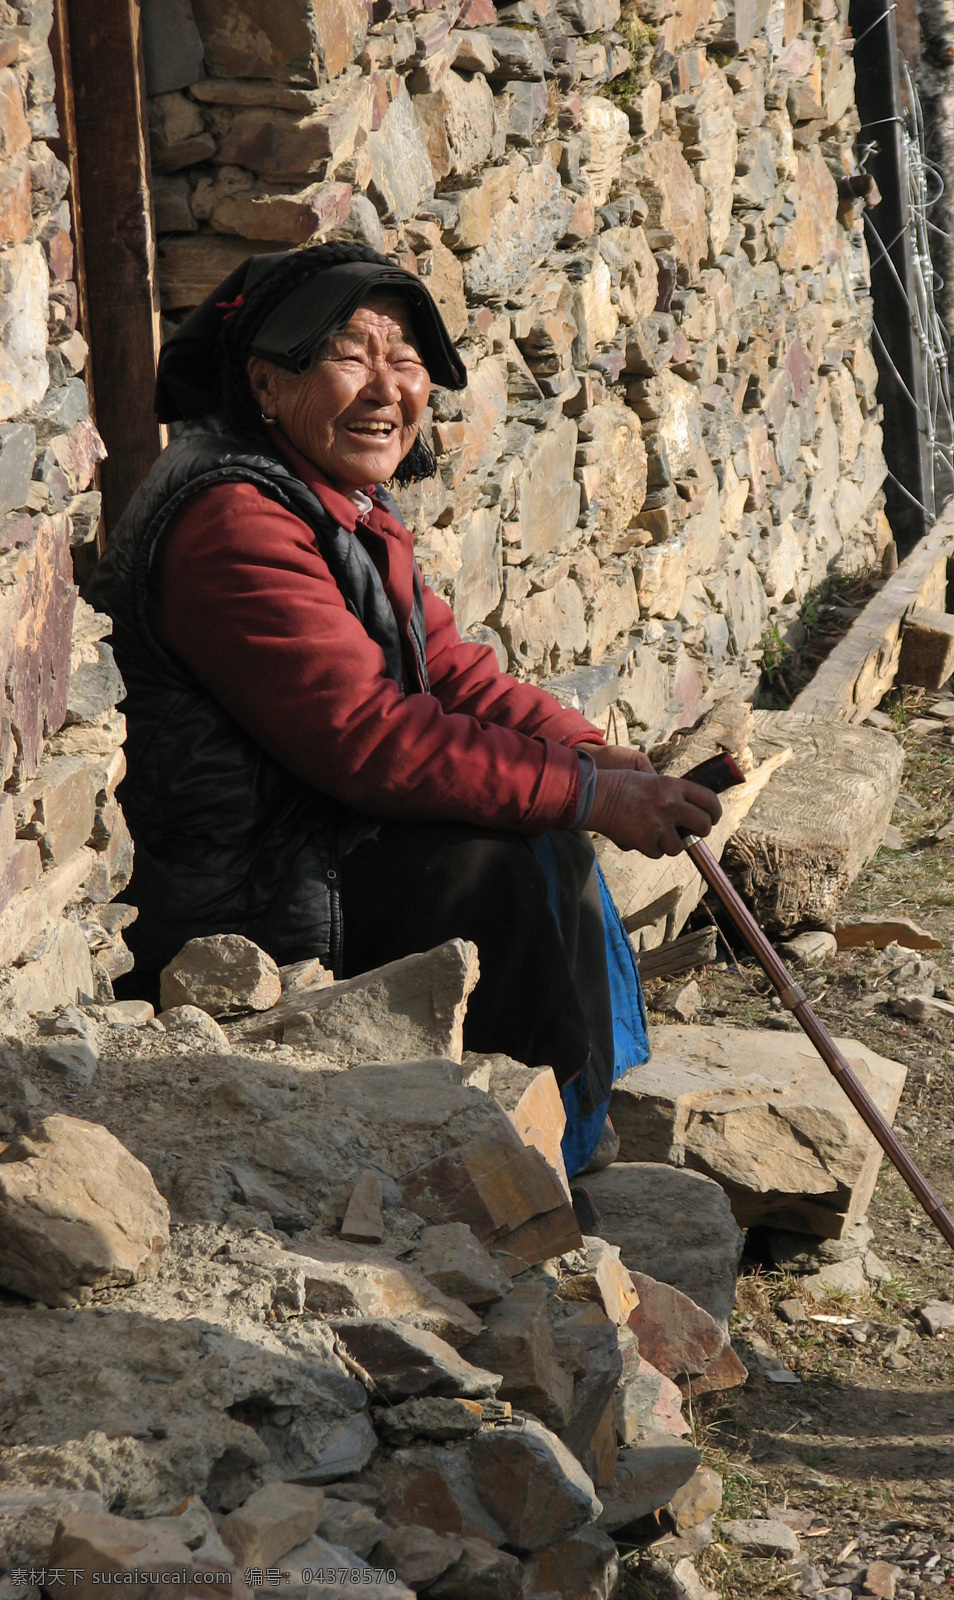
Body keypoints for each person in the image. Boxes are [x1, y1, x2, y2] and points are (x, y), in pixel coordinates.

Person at [88, 242, 722, 1172]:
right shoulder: (235, 522)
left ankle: (579, 1115)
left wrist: (592, 756)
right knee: (494, 861)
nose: (388, 389)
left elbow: (450, 670)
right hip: (247, 896)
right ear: (266, 383)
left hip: (311, 843)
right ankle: (532, 1165)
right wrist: (584, 794)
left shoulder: (327, 498)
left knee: (549, 816)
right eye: (352, 354)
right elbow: (369, 736)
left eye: (408, 361)